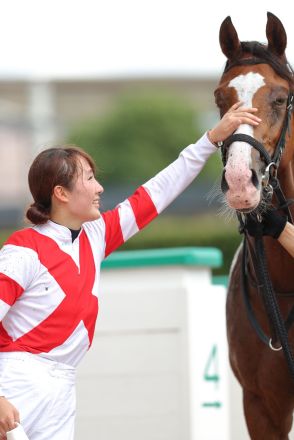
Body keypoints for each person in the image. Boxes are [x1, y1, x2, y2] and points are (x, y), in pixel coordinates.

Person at [0, 102, 260, 440]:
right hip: (16, 382)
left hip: (63, 386)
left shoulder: (94, 236)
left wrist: (210, 140)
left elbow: (155, 193)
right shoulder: (22, 250)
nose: (99, 189)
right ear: (61, 193)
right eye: (89, 179)